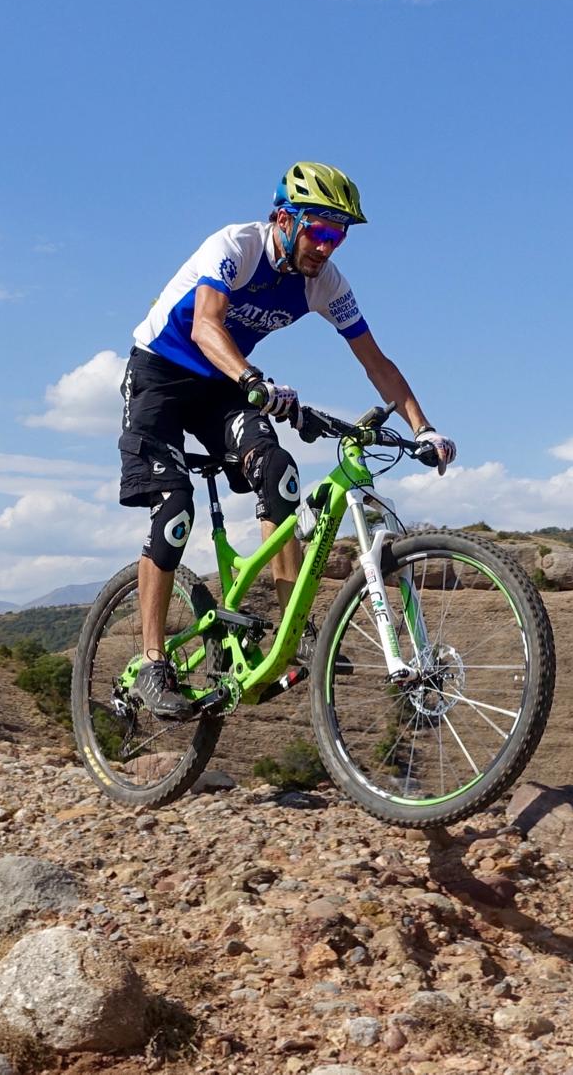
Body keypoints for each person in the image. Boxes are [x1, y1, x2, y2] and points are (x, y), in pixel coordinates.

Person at [118, 160, 455, 719]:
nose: (328, 247)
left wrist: (424, 427)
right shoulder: (236, 245)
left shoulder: (326, 284)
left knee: (279, 472)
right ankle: (153, 662)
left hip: (223, 384)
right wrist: (254, 380)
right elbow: (205, 325)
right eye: (320, 231)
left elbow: (377, 362)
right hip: (161, 374)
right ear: (284, 218)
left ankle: (289, 628)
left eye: (338, 235)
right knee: (174, 507)